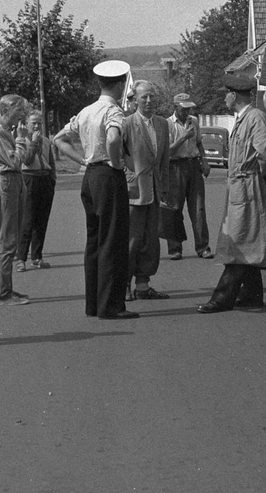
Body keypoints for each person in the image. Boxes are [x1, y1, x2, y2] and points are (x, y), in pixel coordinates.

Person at [53, 60, 137, 320]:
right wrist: (116, 161)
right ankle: (110, 306)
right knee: (113, 240)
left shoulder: (87, 111)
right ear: (121, 84)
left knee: (94, 241)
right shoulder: (114, 111)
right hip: (109, 176)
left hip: (90, 176)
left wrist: (82, 160)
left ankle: (93, 304)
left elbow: (58, 138)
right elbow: (113, 138)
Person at [197, 70, 266, 314]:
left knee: (240, 241)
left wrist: (260, 176)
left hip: (248, 185)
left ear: (233, 96)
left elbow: (265, 154)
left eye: (226, 96)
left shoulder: (255, 118)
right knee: (246, 241)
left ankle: (222, 297)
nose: (224, 100)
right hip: (240, 186)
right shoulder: (245, 118)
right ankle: (252, 296)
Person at [122, 79, 170, 300]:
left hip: (154, 192)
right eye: (144, 97)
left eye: (152, 96)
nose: (149, 101)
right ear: (135, 100)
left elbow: (164, 160)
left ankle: (142, 286)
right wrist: (128, 175)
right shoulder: (127, 124)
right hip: (134, 192)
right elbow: (114, 155)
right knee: (132, 240)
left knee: (151, 241)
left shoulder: (162, 124)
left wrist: (165, 188)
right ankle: (124, 286)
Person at [0, 94, 33, 305]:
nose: (23, 115)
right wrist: (22, 139)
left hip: (12, 182)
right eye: (19, 110)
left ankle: (7, 288)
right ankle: (2, 293)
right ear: (6, 111)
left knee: (11, 236)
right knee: (6, 240)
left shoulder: (6, 132)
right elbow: (15, 161)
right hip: (6, 183)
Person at [162, 92, 211, 260]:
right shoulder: (167, 124)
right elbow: (168, 151)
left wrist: (204, 160)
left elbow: (198, 143)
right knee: (174, 209)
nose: (186, 112)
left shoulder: (194, 121)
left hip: (193, 165)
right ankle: (175, 248)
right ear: (175, 107)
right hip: (175, 166)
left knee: (198, 209)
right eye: (183, 109)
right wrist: (183, 137)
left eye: (188, 109)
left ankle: (203, 247)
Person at [15, 109, 56, 271]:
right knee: (28, 220)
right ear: (27, 124)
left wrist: (52, 180)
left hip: (45, 179)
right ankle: (21, 259)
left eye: (40, 122)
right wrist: (33, 142)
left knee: (42, 220)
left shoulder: (46, 141)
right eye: (34, 123)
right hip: (29, 179)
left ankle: (37, 257)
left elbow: (51, 162)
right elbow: (26, 159)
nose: (37, 126)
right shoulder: (22, 141)